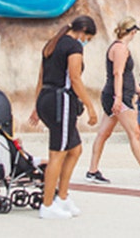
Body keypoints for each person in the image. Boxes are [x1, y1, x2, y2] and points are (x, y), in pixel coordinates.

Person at [29, 15, 99, 220]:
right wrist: (90, 106)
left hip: (47, 99)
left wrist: (37, 106)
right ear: (83, 32)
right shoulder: (73, 47)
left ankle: (62, 196)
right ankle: (48, 204)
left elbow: (41, 78)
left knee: (75, 149)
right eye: (88, 38)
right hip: (61, 101)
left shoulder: (51, 44)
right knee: (57, 154)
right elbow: (75, 79)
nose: (86, 42)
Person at [86, 17, 140, 186]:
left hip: (116, 95)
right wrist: (119, 98)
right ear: (132, 31)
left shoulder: (119, 47)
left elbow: (127, 76)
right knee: (134, 133)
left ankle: (92, 170)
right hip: (119, 97)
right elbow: (118, 74)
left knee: (103, 134)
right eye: (135, 31)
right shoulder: (120, 49)